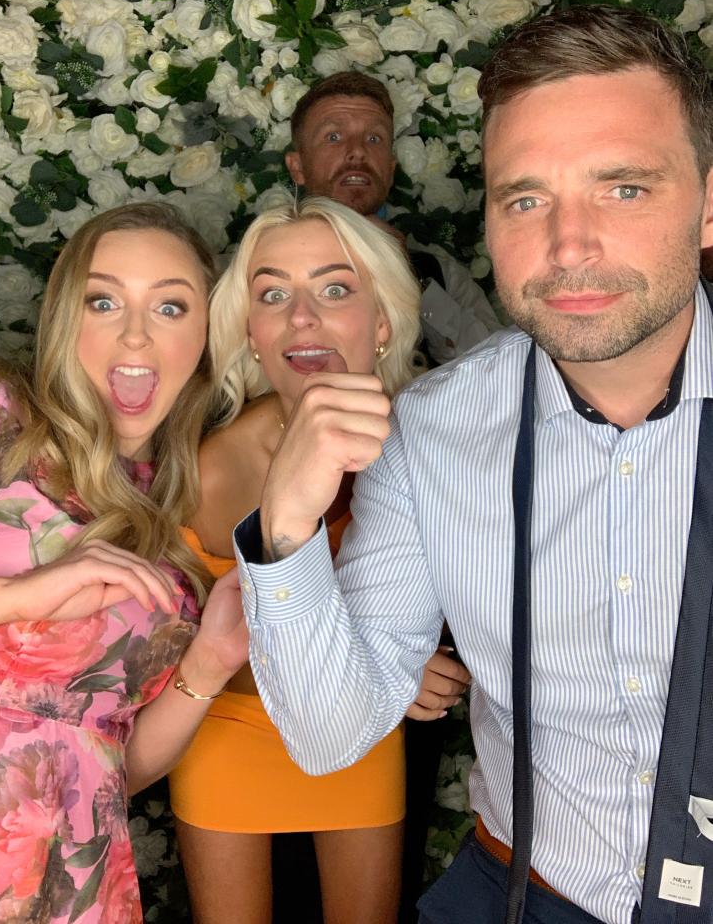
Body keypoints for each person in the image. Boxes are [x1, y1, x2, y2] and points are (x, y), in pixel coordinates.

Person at [232, 5, 713, 924]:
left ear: (709, 201)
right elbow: (332, 735)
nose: (569, 246)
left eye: (622, 188)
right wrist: (286, 530)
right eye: (525, 199)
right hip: (526, 891)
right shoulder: (432, 432)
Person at [168, 197, 468, 924]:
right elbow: (163, 650)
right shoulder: (204, 468)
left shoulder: (437, 447)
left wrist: (401, 660)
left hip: (366, 731)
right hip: (227, 733)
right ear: (251, 332)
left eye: (335, 289)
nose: (302, 316)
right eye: (273, 295)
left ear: (384, 321)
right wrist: (385, 664)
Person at [0, 201, 248, 923]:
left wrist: (209, 663)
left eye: (171, 307)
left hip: (70, 887)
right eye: (103, 301)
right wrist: (21, 594)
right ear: (66, 316)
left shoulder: (180, 522)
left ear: (207, 339)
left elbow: (111, 764)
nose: (135, 333)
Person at [285, 70, 502, 366]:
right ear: (297, 167)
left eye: (374, 138)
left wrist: (410, 281)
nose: (357, 151)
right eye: (333, 137)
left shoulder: (439, 274)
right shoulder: (252, 269)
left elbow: (500, 371)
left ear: (389, 170)